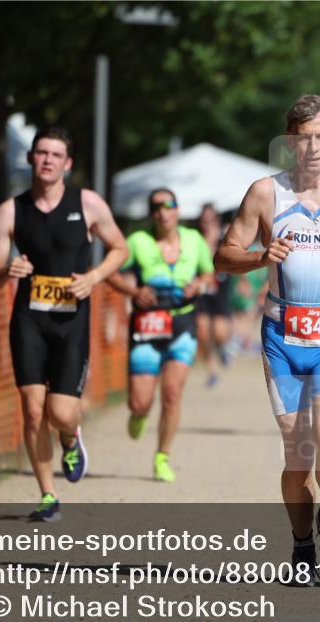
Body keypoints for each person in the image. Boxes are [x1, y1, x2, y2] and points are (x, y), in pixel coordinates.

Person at [214, 94, 320, 583]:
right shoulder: (265, 194)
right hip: (282, 335)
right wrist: (260, 256)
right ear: (290, 140)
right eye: (302, 138)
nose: (312, 147)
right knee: (298, 451)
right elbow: (223, 258)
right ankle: (300, 545)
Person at [0, 126, 127, 522]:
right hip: (29, 318)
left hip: (72, 322)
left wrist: (94, 278)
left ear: (68, 163)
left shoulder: (88, 203)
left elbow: (120, 248)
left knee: (60, 412)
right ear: (31, 158)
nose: (47, 160)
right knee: (31, 410)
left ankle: (69, 435)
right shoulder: (10, 211)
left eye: (55, 155)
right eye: (41, 153)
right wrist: (5, 269)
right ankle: (48, 495)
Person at [107, 188, 214, 483]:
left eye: (169, 206)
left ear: (178, 210)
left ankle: (162, 456)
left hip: (183, 324)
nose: (163, 212)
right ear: (151, 213)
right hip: (147, 326)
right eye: (156, 207)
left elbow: (208, 274)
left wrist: (200, 286)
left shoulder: (194, 241)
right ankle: (139, 414)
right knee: (141, 402)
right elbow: (111, 271)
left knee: (172, 394)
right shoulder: (137, 242)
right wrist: (134, 291)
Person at [195, 204, 234, 388]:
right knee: (202, 333)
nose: (207, 223)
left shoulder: (224, 236)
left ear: (216, 219)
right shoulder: (196, 239)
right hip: (201, 291)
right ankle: (212, 372)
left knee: (219, 333)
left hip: (220, 290)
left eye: (210, 219)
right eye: (204, 219)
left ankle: (223, 348)